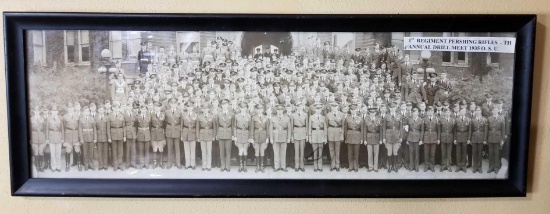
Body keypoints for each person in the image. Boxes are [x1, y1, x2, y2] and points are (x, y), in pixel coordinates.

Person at [270, 105, 291, 172]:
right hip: (275, 136)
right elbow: (270, 129)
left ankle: (283, 166)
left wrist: (288, 138)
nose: (280, 111)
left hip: (284, 136)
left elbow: (289, 129)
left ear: (283, 110)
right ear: (277, 111)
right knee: (276, 152)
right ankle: (276, 167)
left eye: (281, 110)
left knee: (283, 152)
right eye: (278, 110)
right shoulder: (272, 118)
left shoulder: (287, 118)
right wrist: (271, 138)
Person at [343, 104, 364, 172]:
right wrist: (346, 138)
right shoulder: (347, 118)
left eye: (354, 110)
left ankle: (355, 166)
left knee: (356, 153)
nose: (353, 111)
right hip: (349, 136)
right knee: (350, 153)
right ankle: (350, 166)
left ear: (356, 110)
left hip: (357, 136)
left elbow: (362, 129)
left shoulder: (360, 118)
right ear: (350, 111)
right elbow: (345, 129)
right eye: (352, 110)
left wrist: (361, 139)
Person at [383, 102, 402, 173]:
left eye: (394, 107)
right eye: (391, 107)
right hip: (388, 136)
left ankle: (395, 166)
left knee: (395, 152)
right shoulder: (386, 116)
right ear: (389, 108)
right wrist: (384, 138)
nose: (392, 109)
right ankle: (390, 166)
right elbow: (384, 128)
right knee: (389, 152)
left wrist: (401, 137)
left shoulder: (399, 116)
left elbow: (400, 127)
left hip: (396, 136)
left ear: (396, 108)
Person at [250, 104, 269, 173]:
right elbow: (251, 128)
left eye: (261, 109)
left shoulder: (266, 117)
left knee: (262, 152)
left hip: (263, 136)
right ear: (256, 110)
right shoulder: (253, 118)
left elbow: (267, 129)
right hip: (256, 136)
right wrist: (251, 137)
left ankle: (262, 166)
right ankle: (257, 167)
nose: (260, 110)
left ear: (262, 110)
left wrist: (267, 137)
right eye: (258, 109)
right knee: (257, 151)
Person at [216, 99, 234, 172]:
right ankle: (223, 166)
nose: (224, 106)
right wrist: (217, 134)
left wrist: (233, 135)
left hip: (229, 133)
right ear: (221, 106)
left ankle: (228, 166)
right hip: (221, 133)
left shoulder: (231, 114)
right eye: (223, 105)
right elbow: (217, 125)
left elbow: (233, 125)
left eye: (225, 104)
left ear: (228, 105)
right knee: (222, 151)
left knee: (228, 151)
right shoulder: (218, 114)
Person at [326, 102, 344, 171]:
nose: (334, 108)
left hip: (338, 133)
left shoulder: (341, 114)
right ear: (331, 107)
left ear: (338, 107)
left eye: (335, 106)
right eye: (333, 106)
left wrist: (342, 136)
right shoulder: (328, 115)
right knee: (331, 150)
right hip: (330, 132)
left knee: (337, 150)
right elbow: (327, 125)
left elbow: (342, 126)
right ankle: (332, 165)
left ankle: (337, 165)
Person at [309, 104, 327, 172]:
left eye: (319, 109)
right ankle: (315, 166)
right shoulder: (311, 117)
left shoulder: (323, 117)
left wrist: (325, 137)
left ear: (321, 110)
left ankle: (320, 166)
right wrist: (310, 137)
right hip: (314, 135)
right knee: (315, 152)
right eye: (317, 109)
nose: (318, 110)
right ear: (315, 110)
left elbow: (325, 128)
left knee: (320, 152)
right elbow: (309, 128)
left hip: (321, 135)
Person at [165, 98, 182, 169]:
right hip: (169, 131)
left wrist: (180, 130)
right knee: (169, 148)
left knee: (177, 148)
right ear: (170, 104)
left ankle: (178, 163)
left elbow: (181, 122)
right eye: (172, 103)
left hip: (177, 130)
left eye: (174, 103)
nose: (173, 105)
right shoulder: (167, 112)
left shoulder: (179, 112)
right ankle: (169, 163)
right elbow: (164, 122)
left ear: (176, 104)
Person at [291, 101, 308, 172]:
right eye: (298, 106)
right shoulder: (293, 115)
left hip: (303, 132)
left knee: (302, 150)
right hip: (296, 132)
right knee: (296, 151)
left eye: (300, 106)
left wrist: (307, 135)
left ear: (302, 107)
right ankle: (296, 166)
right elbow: (292, 126)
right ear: (296, 107)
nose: (299, 108)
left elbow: (307, 125)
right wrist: (292, 135)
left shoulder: (305, 114)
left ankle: (302, 165)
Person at [108, 103, 126, 171]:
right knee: (114, 150)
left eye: (117, 107)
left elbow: (124, 126)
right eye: (115, 108)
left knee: (120, 151)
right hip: (113, 134)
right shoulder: (110, 116)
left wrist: (124, 136)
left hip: (120, 134)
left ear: (119, 108)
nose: (116, 109)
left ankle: (120, 164)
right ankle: (115, 164)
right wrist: (109, 137)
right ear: (112, 108)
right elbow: (108, 128)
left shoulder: (121, 115)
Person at [234, 102, 251, 172]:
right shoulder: (237, 116)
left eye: (244, 108)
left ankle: (245, 166)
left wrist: (250, 137)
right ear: (240, 108)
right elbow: (234, 127)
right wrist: (235, 136)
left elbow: (250, 127)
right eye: (242, 108)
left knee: (245, 150)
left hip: (246, 134)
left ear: (246, 108)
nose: (243, 109)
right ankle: (240, 166)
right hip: (239, 134)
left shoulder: (249, 116)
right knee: (240, 150)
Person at [487, 107, 505, 174]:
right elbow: (487, 129)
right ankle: (490, 167)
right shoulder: (489, 118)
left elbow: (503, 130)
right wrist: (486, 139)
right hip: (490, 138)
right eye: (493, 110)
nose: (495, 111)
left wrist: (502, 139)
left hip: (498, 138)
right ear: (492, 111)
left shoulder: (501, 118)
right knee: (491, 153)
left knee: (497, 154)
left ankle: (496, 167)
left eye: (496, 110)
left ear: (498, 111)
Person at [181, 101, 199, 170]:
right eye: (188, 107)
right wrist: (181, 135)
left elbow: (197, 126)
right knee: (186, 150)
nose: (189, 108)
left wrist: (197, 136)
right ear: (186, 107)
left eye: (191, 106)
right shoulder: (183, 114)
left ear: (192, 107)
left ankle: (193, 164)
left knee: (192, 150)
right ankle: (187, 164)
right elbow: (181, 126)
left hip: (193, 133)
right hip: (185, 133)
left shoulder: (195, 115)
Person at [63, 103, 80, 171]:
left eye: (72, 108)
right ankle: (67, 165)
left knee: (77, 149)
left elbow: (79, 126)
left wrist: (79, 136)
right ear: (67, 109)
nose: (70, 109)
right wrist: (64, 138)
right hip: (68, 135)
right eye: (69, 108)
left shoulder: (77, 115)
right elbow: (64, 127)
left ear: (73, 108)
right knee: (68, 150)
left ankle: (79, 164)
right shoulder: (64, 116)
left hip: (76, 134)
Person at [47, 105, 64, 172]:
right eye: (53, 111)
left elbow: (62, 129)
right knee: (52, 153)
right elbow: (47, 129)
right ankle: (53, 167)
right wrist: (47, 139)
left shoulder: (60, 118)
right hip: (51, 137)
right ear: (51, 111)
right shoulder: (48, 118)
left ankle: (58, 166)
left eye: (55, 111)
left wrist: (62, 138)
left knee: (58, 153)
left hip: (58, 136)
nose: (54, 112)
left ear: (57, 112)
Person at [364, 108, 382, 172]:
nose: (372, 114)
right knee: (370, 154)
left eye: (373, 113)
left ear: (375, 113)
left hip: (377, 138)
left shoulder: (379, 119)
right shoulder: (366, 119)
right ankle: (370, 167)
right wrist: (365, 140)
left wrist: (380, 139)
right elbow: (365, 130)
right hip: (369, 138)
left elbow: (381, 130)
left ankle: (376, 167)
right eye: (371, 113)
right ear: (369, 113)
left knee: (376, 154)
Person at [198, 107, 216, 171]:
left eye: (206, 108)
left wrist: (214, 136)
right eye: (204, 108)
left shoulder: (212, 116)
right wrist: (198, 136)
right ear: (202, 109)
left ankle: (209, 166)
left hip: (209, 134)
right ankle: (204, 165)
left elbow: (214, 127)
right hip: (202, 134)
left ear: (208, 109)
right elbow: (198, 127)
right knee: (203, 151)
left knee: (209, 151)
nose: (205, 110)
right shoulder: (199, 117)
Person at [471, 107, 488, 173]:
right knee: (474, 153)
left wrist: (485, 139)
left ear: (481, 111)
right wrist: (470, 139)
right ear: (475, 112)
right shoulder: (473, 120)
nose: (477, 112)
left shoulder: (484, 119)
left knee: (480, 153)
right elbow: (471, 130)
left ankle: (479, 167)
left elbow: (486, 130)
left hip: (481, 138)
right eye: (476, 110)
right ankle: (475, 167)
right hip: (474, 138)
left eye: (479, 110)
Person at [422, 106, 439, 172]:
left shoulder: (436, 119)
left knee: (432, 153)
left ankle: (431, 166)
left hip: (434, 137)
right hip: (426, 137)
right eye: (429, 111)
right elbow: (423, 130)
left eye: (431, 111)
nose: (430, 112)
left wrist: (438, 139)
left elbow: (438, 130)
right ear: (427, 112)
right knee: (426, 153)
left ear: (433, 112)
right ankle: (426, 166)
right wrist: (422, 139)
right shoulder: (424, 119)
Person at [30, 105, 47, 172]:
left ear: (39, 111)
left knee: (41, 152)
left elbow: (45, 129)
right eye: (35, 110)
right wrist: (30, 139)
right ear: (34, 111)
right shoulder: (31, 118)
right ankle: (36, 166)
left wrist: (46, 138)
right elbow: (30, 129)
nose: (36, 112)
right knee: (36, 152)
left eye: (38, 110)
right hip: (34, 137)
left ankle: (41, 166)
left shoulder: (43, 118)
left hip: (42, 137)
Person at [455, 108, 472, 173]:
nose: (462, 113)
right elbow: (454, 130)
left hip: (465, 137)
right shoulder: (456, 119)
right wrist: (455, 139)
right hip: (458, 137)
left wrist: (468, 139)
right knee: (458, 153)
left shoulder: (468, 119)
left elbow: (469, 130)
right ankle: (458, 166)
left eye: (463, 111)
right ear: (459, 112)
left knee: (464, 153)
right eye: (461, 111)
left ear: (465, 112)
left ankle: (463, 166)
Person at [136, 105, 152, 169]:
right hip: (140, 134)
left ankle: (146, 163)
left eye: (144, 109)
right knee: (141, 150)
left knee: (147, 150)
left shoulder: (149, 117)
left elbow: (150, 126)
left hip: (147, 134)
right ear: (140, 110)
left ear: (146, 110)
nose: (143, 110)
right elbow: (136, 126)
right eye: (142, 109)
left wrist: (149, 133)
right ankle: (142, 163)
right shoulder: (137, 117)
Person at [123, 103, 137, 169]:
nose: (130, 107)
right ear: (126, 107)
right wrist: (125, 135)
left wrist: (136, 133)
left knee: (133, 149)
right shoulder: (124, 114)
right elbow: (123, 126)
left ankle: (133, 163)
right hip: (127, 132)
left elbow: (136, 124)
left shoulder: (134, 113)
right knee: (128, 149)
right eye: (128, 106)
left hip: (133, 133)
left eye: (131, 106)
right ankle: (127, 164)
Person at [95, 105, 109, 170]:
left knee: (105, 151)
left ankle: (105, 165)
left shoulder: (106, 117)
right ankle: (100, 165)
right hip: (98, 136)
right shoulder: (96, 118)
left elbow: (108, 128)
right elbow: (95, 128)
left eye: (102, 110)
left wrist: (108, 137)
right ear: (98, 110)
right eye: (100, 110)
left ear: (104, 110)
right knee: (99, 151)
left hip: (105, 136)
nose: (101, 111)